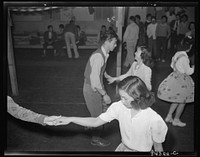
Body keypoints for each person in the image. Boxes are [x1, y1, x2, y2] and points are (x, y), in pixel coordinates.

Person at [50, 76, 168, 152]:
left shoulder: (154, 119)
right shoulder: (119, 107)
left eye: (125, 98)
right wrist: (70, 119)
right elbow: (96, 122)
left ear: (138, 97)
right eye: (121, 97)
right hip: (123, 148)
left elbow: (158, 148)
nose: (122, 101)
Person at [75, 30, 117, 147]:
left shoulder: (104, 54)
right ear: (107, 42)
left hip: (95, 87)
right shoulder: (99, 56)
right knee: (99, 117)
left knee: (100, 110)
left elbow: (98, 70)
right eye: (114, 42)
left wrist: (105, 74)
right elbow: (94, 81)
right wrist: (104, 94)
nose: (116, 45)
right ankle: (95, 138)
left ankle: (89, 125)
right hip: (92, 89)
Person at [157, 36, 194, 127]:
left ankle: (169, 116)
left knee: (176, 98)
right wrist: (193, 67)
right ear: (190, 47)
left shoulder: (177, 54)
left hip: (174, 76)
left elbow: (171, 65)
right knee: (182, 100)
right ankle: (176, 119)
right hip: (182, 81)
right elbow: (189, 72)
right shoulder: (185, 58)